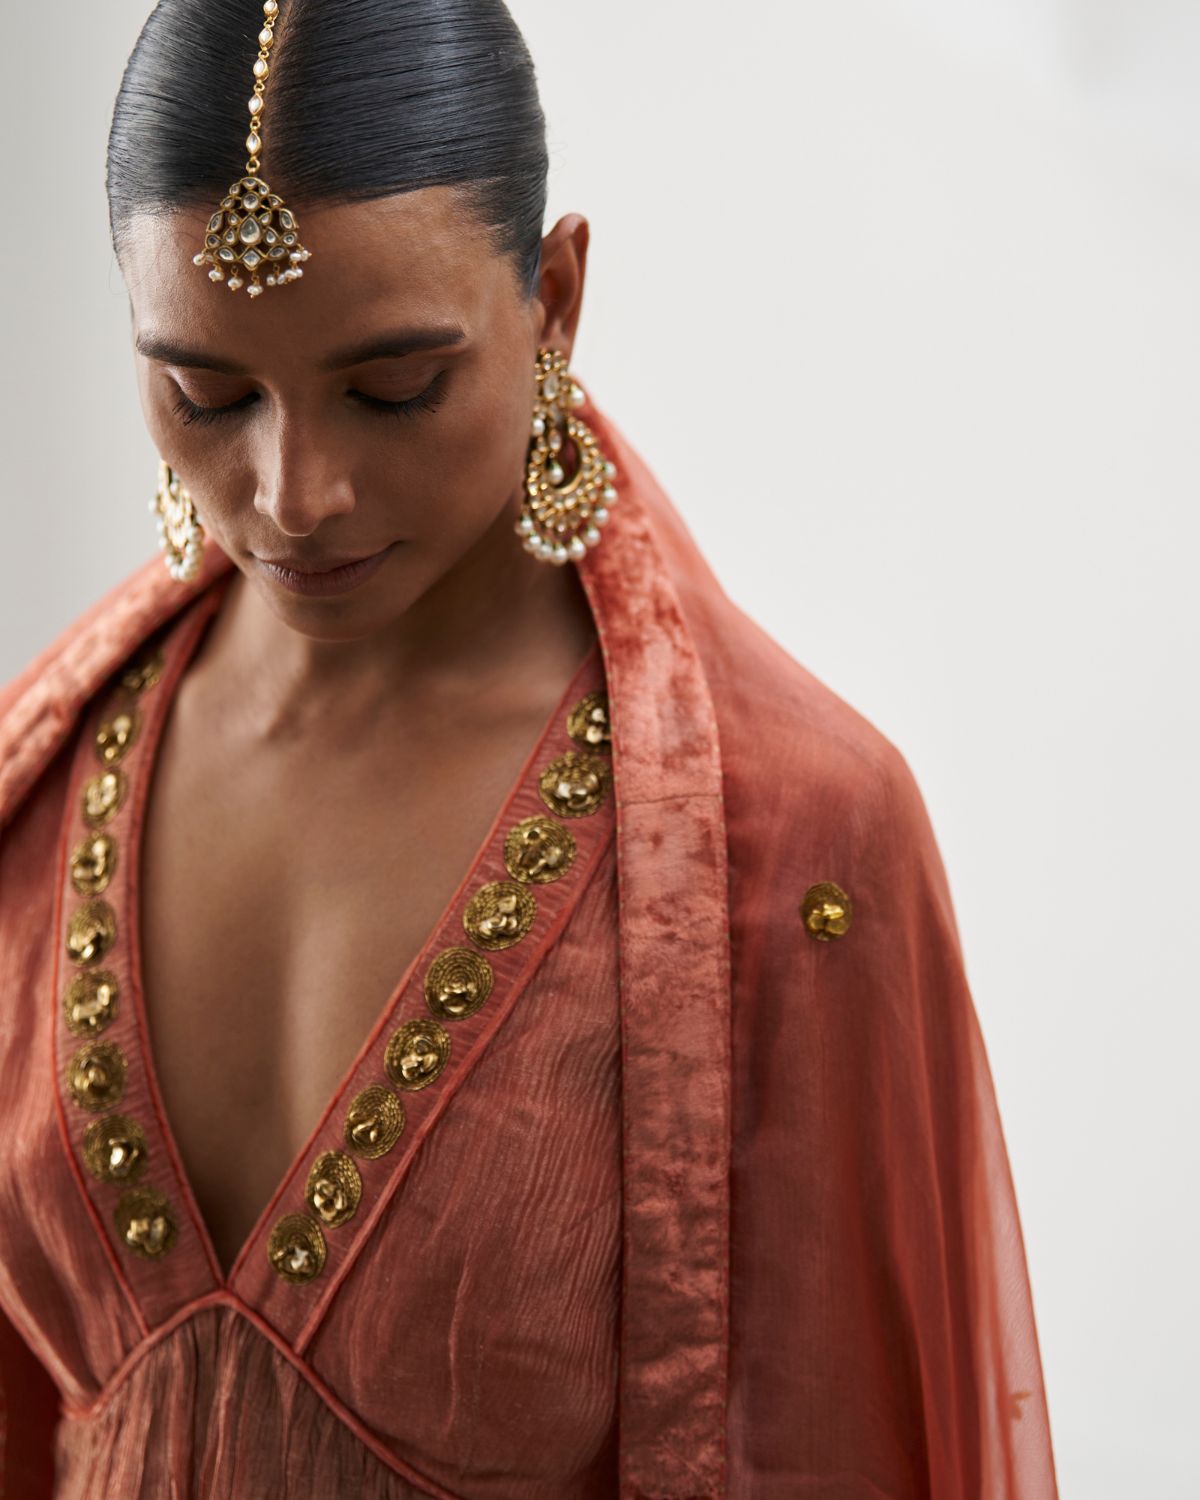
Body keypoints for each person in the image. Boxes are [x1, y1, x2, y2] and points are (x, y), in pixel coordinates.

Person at [0, 1, 1061, 1496]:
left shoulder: (797, 844)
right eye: (208, 393)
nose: (294, 492)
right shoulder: (40, 789)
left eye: (392, 387)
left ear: (554, 300)